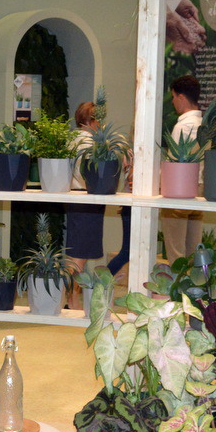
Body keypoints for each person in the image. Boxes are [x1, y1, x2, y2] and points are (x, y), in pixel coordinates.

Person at [67, 101, 131, 308]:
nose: (101, 126)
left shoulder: (74, 139)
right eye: (99, 121)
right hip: (85, 199)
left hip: (78, 199)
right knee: (79, 255)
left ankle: (72, 298)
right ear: (92, 121)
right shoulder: (88, 144)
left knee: (79, 253)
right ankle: (71, 299)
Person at [161, 75, 204, 261]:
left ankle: (176, 281)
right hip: (200, 188)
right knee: (194, 250)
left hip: (179, 191)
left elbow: (174, 163)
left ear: (181, 97)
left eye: (173, 97)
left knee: (176, 252)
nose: (172, 102)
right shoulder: (203, 125)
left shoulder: (182, 126)